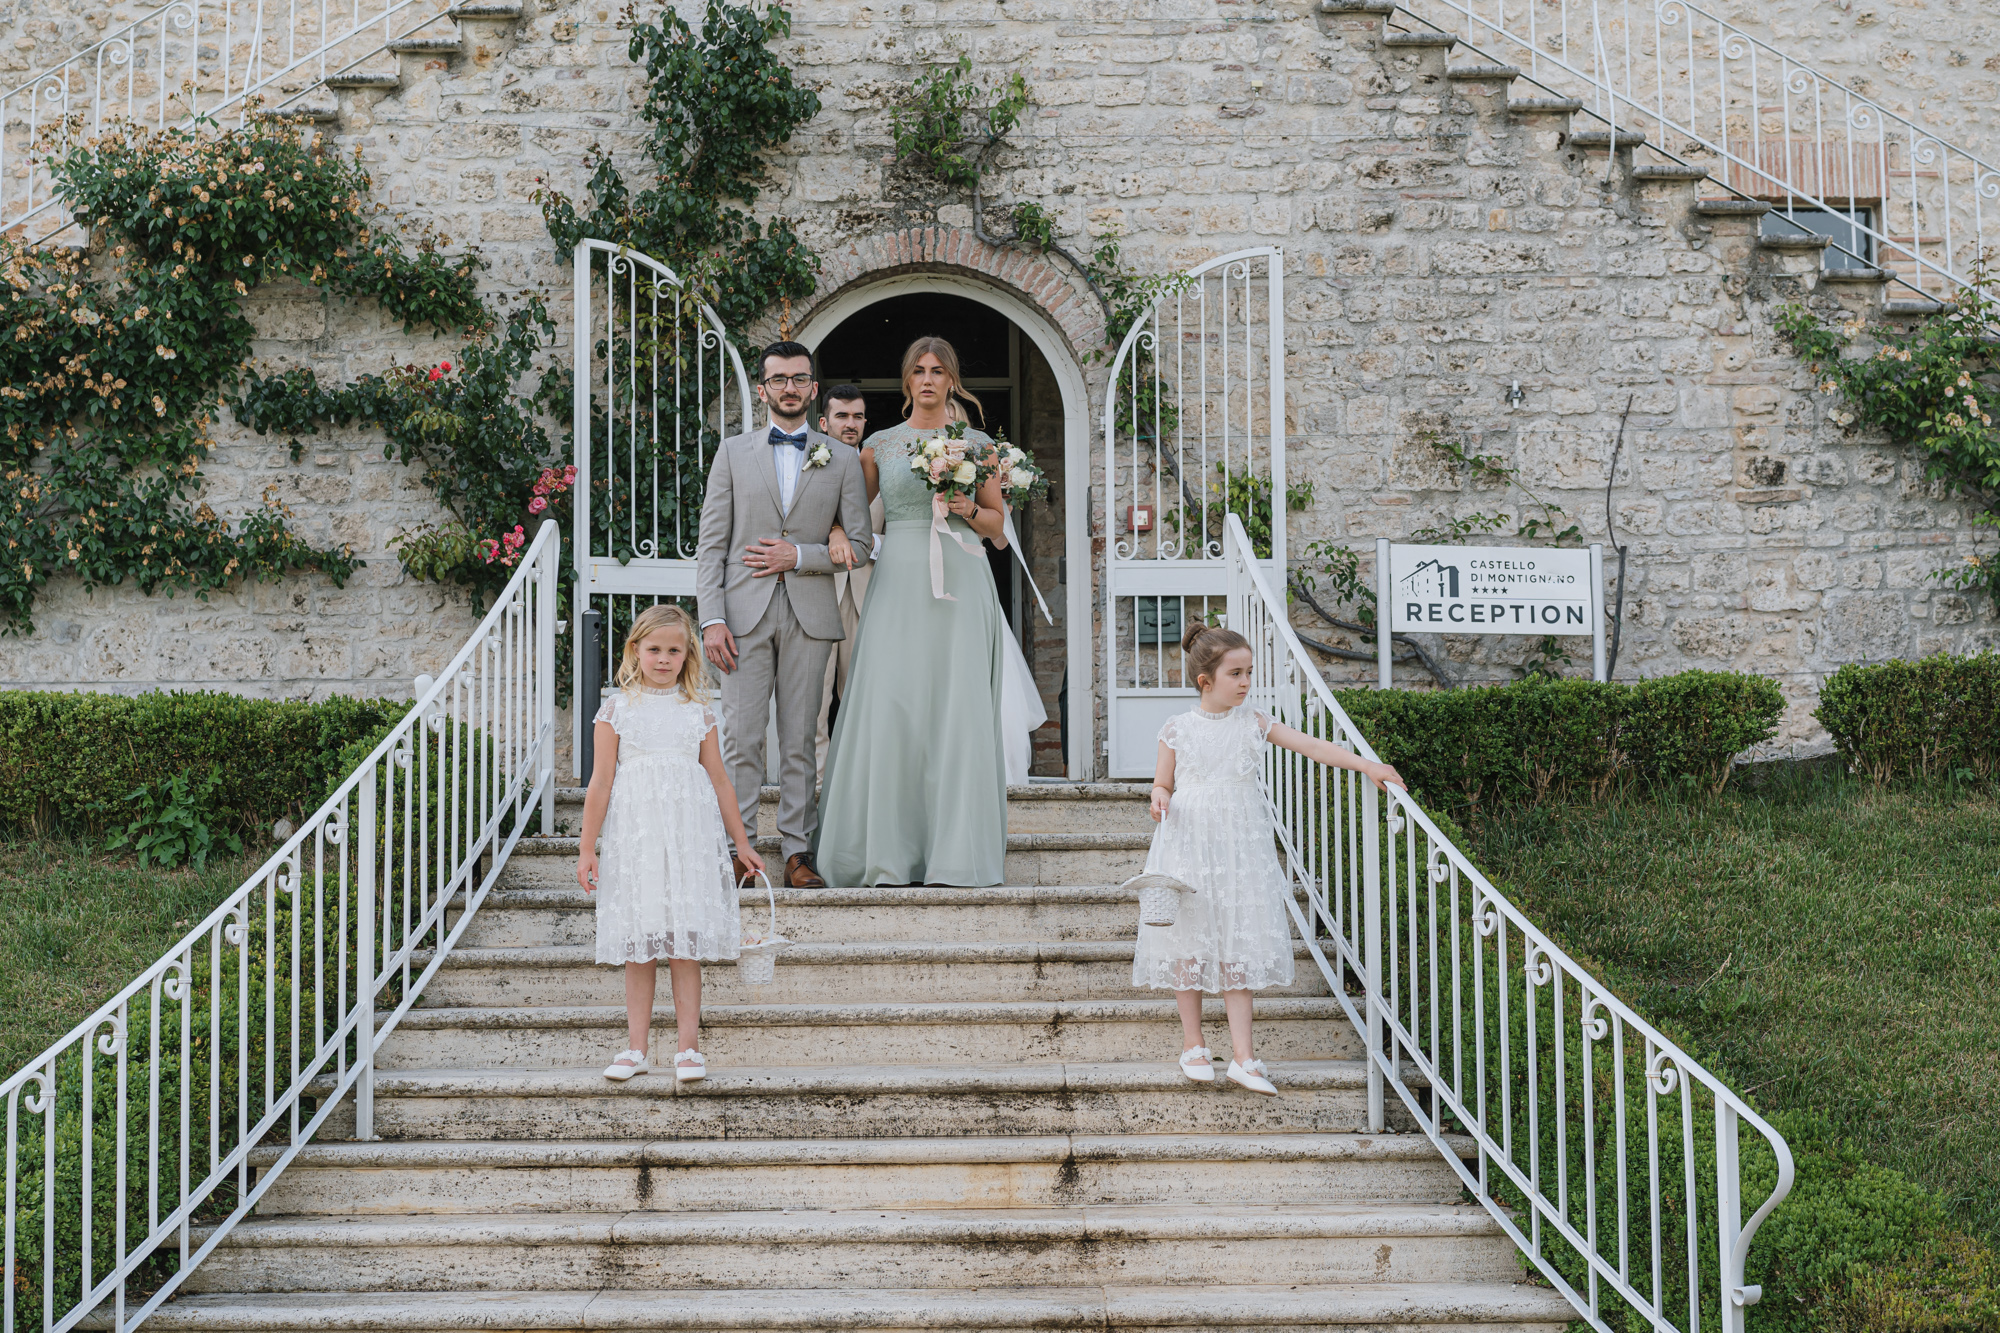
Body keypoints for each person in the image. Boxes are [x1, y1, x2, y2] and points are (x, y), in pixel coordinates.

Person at [1138, 623, 1404, 1095]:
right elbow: (1163, 782)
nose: (1245, 682)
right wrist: (1159, 796)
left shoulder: (1254, 722)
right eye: (1235, 674)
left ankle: (1243, 1057)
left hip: (1241, 845)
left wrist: (1367, 764)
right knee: (1188, 941)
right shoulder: (1177, 729)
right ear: (1205, 680)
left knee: (1238, 943)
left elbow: (1312, 746)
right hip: (1189, 841)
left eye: (1249, 672)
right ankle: (1193, 1044)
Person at [815, 337, 1010, 886]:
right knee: (891, 705)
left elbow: (998, 527)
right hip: (898, 579)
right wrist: (835, 532)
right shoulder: (878, 446)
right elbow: (849, 516)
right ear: (906, 380)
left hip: (962, 578)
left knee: (956, 708)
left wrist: (967, 506)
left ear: (952, 380)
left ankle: (955, 853)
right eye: (919, 370)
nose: (928, 379)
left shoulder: (978, 446)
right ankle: (887, 853)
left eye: (938, 371)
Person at [696, 341, 871, 890]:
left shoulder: (841, 458)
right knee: (741, 741)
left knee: (800, 741)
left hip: (810, 615)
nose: (789, 388)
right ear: (763, 388)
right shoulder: (732, 453)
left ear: (813, 388)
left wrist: (799, 556)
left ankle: (797, 851)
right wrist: (711, 619)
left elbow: (860, 544)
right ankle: (738, 851)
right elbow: (712, 545)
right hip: (740, 618)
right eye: (779, 379)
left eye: (799, 379)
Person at [574, 604, 765, 1083]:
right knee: (640, 944)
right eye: (654, 649)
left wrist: (741, 843)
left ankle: (688, 1049)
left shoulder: (698, 713)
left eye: (674, 651)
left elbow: (720, 781)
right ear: (635, 650)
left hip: (688, 840)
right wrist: (587, 847)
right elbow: (600, 782)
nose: (663, 659)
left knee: (683, 944)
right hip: (638, 839)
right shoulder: (616, 710)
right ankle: (636, 1048)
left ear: (687, 655)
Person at [815, 384, 884, 777]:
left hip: (867, 594)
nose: (851, 424)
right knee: (814, 701)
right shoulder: (808, 468)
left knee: (863, 700)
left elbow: (905, 535)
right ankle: (816, 785)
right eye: (842, 416)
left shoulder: (883, 472)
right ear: (824, 423)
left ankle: (860, 786)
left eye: (858, 416)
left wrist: (865, 543)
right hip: (817, 593)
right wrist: (832, 532)